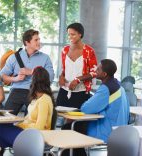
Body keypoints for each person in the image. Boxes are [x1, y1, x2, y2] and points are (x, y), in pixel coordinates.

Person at [0, 67, 55, 156]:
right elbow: (28, 119)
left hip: (34, 137)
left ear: (35, 81)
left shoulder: (44, 99)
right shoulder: (36, 98)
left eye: (32, 78)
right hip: (25, 131)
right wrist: (18, 124)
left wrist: (22, 125)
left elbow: (39, 127)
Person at [57, 22, 97, 156]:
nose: (70, 37)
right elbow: (64, 69)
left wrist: (78, 79)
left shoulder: (88, 51)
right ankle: (66, 150)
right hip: (64, 92)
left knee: (76, 123)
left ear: (80, 34)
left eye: (73, 34)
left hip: (81, 93)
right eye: (69, 34)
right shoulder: (64, 50)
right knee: (64, 119)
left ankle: (73, 150)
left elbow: (94, 72)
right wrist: (61, 77)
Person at [0, 29, 54, 115]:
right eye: (36, 40)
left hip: (36, 92)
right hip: (17, 90)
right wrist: (15, 78)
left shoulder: (45, 58)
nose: (39, 42)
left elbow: (50, 78)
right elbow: (2, 75)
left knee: (32, 121)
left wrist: (32, 72)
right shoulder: (14, 57)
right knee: (5, 118)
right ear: (27, 42)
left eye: (39, 39)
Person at [81, 59, 129, 143]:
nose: (95, 70)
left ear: (104, 74)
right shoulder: (119, 85)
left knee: (72, 127)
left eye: (98, 69)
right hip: (120, 131)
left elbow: (85, 108)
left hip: (107, 132)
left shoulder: (106, 89)